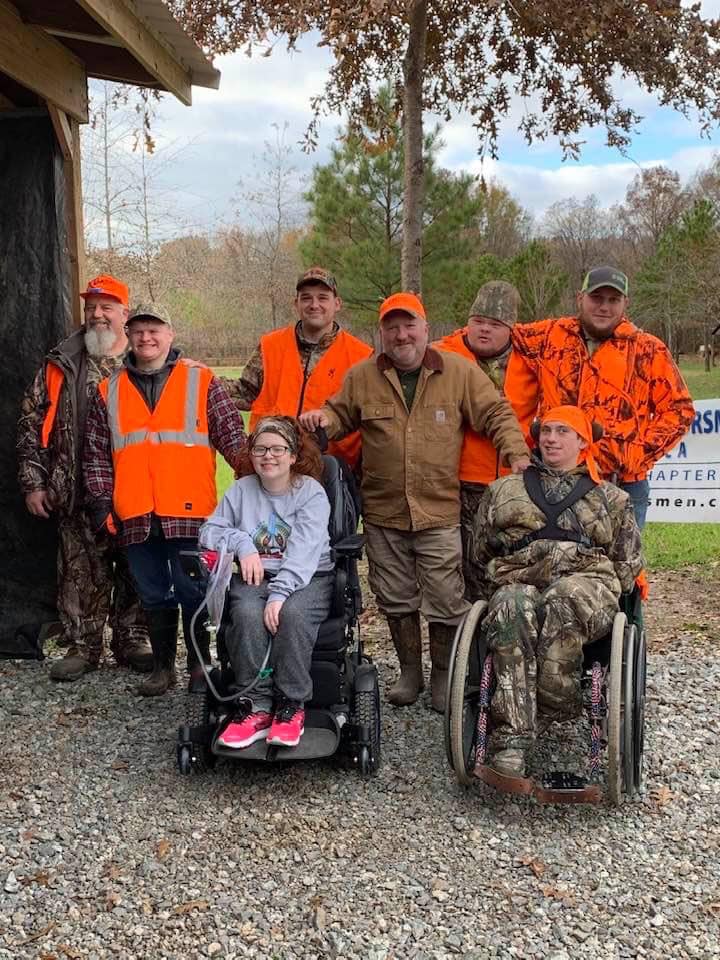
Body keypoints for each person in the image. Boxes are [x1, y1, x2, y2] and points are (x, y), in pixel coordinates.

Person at [300, 292, 530, 712]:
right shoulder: (363, 376)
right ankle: (410, 672)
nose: (401, 335)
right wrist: (322, 420)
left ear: (425, 329)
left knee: (445, 598)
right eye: (392, 327)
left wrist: (516, 454)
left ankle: (442, 674)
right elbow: (338, 415)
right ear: (382, 332)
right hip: (383, 513)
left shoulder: (457, 372)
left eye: (409, 326)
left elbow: (496, 413)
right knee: (395, 596)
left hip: (438, 511)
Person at [83, 303, 247, 696]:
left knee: (194, 591)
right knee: (153, 592)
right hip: (136, 513)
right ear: (128, 335)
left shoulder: (201, 380)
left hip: (191, 512)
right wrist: (102, 503)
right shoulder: (108, 389)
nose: (146, 338)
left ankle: (199, 666)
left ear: (170, 335)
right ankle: (162, 669)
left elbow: (233, 439)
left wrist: (255, 487)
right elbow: (96, 454)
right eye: (138, 330)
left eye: (154, 330)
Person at [473, 405, 644, 782]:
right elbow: (481, 551)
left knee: (564, 598)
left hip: (587, 586)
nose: (551, 439)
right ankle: (512, 741)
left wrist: (593, 584)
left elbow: (627, 564)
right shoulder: (504, 490)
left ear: (583, 442)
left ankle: (558, 709)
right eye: (546, 431)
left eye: (563, 431)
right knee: (510, 605)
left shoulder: (611, 499)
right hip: (520, 579)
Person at [17, 274, 151, 682]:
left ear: (125, 314)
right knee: (80, 572)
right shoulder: (62, 360)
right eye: (91, 306)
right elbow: (30, 422)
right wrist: (34, 481)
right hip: (74, 489)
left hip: (134, 489)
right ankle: (83, 645)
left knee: (136, 568)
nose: (97, 314)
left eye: (107, 306)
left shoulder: (146, 359)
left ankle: (133, 639)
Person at [504, 266, 695, 528]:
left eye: (613, 300)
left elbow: (680, 410)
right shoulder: (549, 336)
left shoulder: (648, 349)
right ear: (579, 298)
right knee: (555, 551)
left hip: (622, 484)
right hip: (555, 479)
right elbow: (498, 332)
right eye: (596, 298)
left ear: (625, 303)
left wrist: (638, 453)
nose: (604, 307)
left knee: (622, 555)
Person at [199, 416, 333, 748]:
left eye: (277, 449)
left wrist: (279, 594)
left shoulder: (310, 493)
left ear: (293, 455)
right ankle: (255, 705)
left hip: (307, 576)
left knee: (292, 615)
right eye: (260, 449)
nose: (268, 456)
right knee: (246, 614)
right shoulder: (241, 490)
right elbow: (209, 531)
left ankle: (291, 704)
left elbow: (303, 550)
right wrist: (242, 544)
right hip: (256, 575)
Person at [223, 267, 372, 469]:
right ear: (296, 304)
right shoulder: (271, 346)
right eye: (306, 298)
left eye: (322, 298)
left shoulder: (361, 356)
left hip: (329, 471)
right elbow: (244, 391)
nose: (314, 305)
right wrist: (202, 381)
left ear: (337, 304)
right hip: (271, 466)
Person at [436, 280, 520, 600]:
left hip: (515, 485)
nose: (485, 330)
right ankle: (466, 631)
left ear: (511, 329)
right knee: (462, 572)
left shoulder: (532, 359)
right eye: (478, 321)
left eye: (495, 324)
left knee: (509, 571)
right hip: (460, 483)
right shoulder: (440, 356)